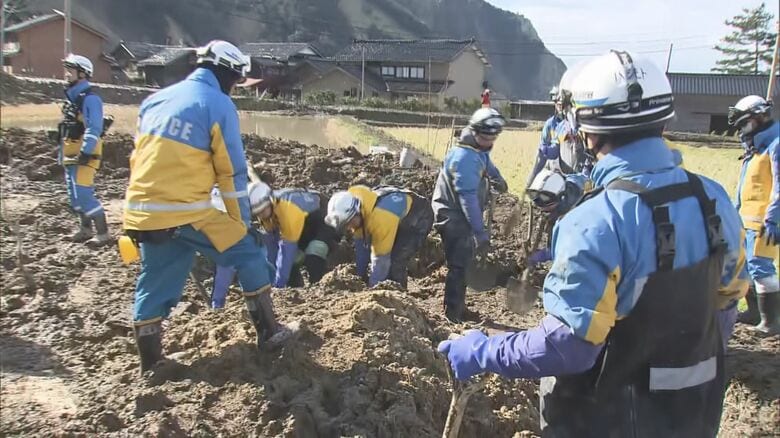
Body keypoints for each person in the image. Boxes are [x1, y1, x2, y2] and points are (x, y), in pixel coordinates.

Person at [438, 50, 749, 436]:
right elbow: (727, 302)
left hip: (612, 417)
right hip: (696, 412)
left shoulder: (596, 219)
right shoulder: (714, 200)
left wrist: (482, 351)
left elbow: (569, 347)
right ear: (664, 119)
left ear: (587, 128)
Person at [123, 40, 291, 374]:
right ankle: (270, 333)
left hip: (141, 210)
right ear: (228, 73)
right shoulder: (217, 103)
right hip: (186, 210)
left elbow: (139, 158)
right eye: (236, 80)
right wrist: (242, 223)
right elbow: (231, 173)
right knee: (249, 254)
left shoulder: (154, 100)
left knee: (155, 280)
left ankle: (151, 364)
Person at [431, 107, 509, 322]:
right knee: (459, 265)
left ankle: (459, 308)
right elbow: (468, 199)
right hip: (453, 215)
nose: (489, 141)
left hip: (461, 213)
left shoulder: (477, 150)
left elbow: (487, 164)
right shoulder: (465, 158)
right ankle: (452, 314)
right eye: (486, 136)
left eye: (493, 136)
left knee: (464, 261)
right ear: (475, 132)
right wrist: (479, 232)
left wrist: (498, 179)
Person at [729, 95, 779, 334]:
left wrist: (773, 217)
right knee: (745, 266)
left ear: (758, 118)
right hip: (746, 220)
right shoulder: (754, 148)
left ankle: (771, 322)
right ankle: (754, 312)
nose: (740, 129)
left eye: (743, 123)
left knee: (760, 266)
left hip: (765, 222)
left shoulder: (776, 144)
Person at [325, 185, 433, 288]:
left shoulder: (380, 219)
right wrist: (359, 277)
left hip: (419, 216)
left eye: (349, 223)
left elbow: (381, 260)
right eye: (345, 225)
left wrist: (373, 289)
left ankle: (399, 296)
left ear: (357, 213)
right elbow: (362, 248)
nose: (349, 228)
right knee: (381, 249)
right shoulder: (357, 205)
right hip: (394, 214)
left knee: (396, 260)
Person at [59, 54, 110, 246]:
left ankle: (103, 234)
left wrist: (86, 151)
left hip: (85, 154)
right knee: (74, 195)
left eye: (70, 70)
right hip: (71, 153)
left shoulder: (91, 99)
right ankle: (85, 229)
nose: (66, 74)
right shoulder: (73, 99)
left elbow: (94, 127)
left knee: (83, 194)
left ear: (82, 73)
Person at [250, 182, 337, 287]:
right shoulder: (266, 214)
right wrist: (271, 280)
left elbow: (287, 250)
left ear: (270, 202)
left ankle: (321, 287)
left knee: (314, 253)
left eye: (263, 210)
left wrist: (279, 284)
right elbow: (273, 246)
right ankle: (295, 288)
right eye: (257, 213)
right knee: (291, 260)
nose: (261, 215)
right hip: (302, 228)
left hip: (322, 220)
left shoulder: (287, 210)